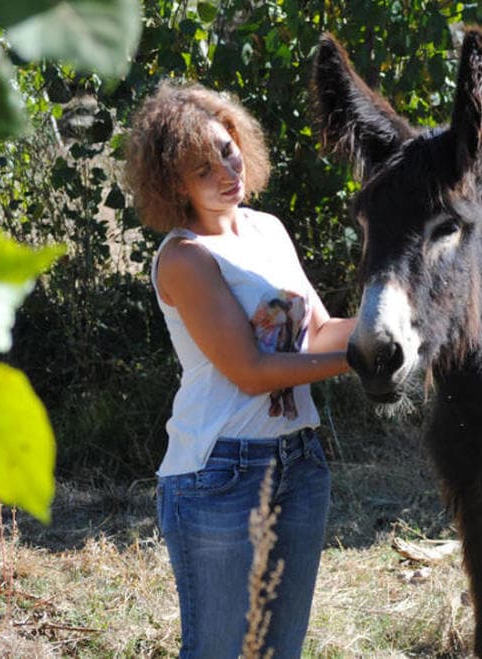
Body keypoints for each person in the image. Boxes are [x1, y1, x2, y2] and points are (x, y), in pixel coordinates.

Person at [123, 80, 353, 657]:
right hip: (219, 471)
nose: (227, 170)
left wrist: (399, 326)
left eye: (227, 149)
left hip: (300, 461)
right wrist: (362, 359)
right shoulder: (184, 258)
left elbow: (318, 332)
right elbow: (249, 371)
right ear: (175, 183)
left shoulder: (266, 228)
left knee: (279, 651)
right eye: (202, 168)